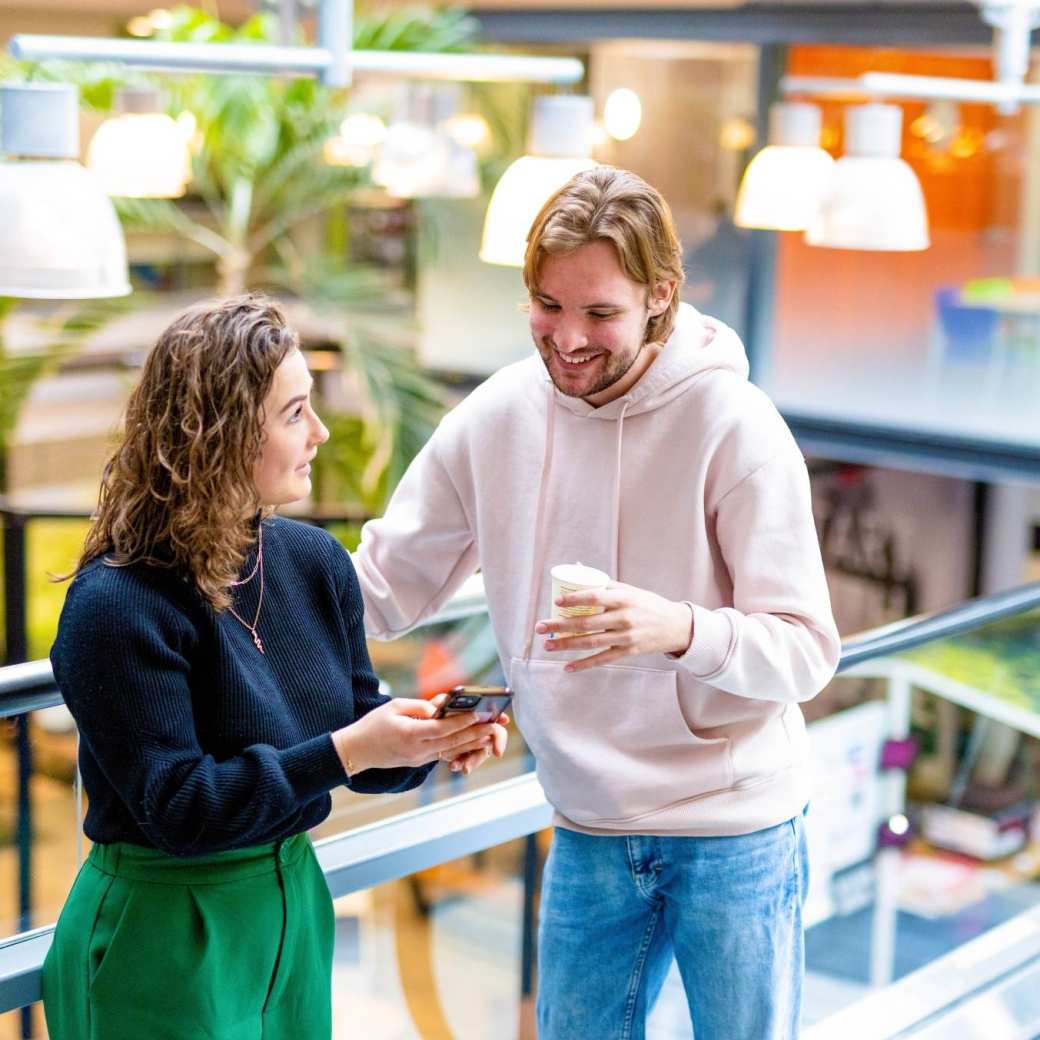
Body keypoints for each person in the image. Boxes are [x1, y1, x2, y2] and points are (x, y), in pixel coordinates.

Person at [352, 166, 840, 1039]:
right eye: (547, 305)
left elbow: (806, 650)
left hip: (736, 829)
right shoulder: (498, 416)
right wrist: (209, 586)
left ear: (659, 297)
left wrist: (679, 629)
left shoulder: (737, 426)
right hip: (586, 823)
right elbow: (380, 588)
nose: (567, 339)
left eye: (599, 314)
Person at [42, 294, 507, 1040]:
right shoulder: (116, 605)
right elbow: (183, 808)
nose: (319, 434)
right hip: (162, 928)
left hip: (293, 905)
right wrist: (352, 749)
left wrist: (427, 742)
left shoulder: (314, 562)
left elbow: (354, 740)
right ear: (219, 434)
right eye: (294, 414)